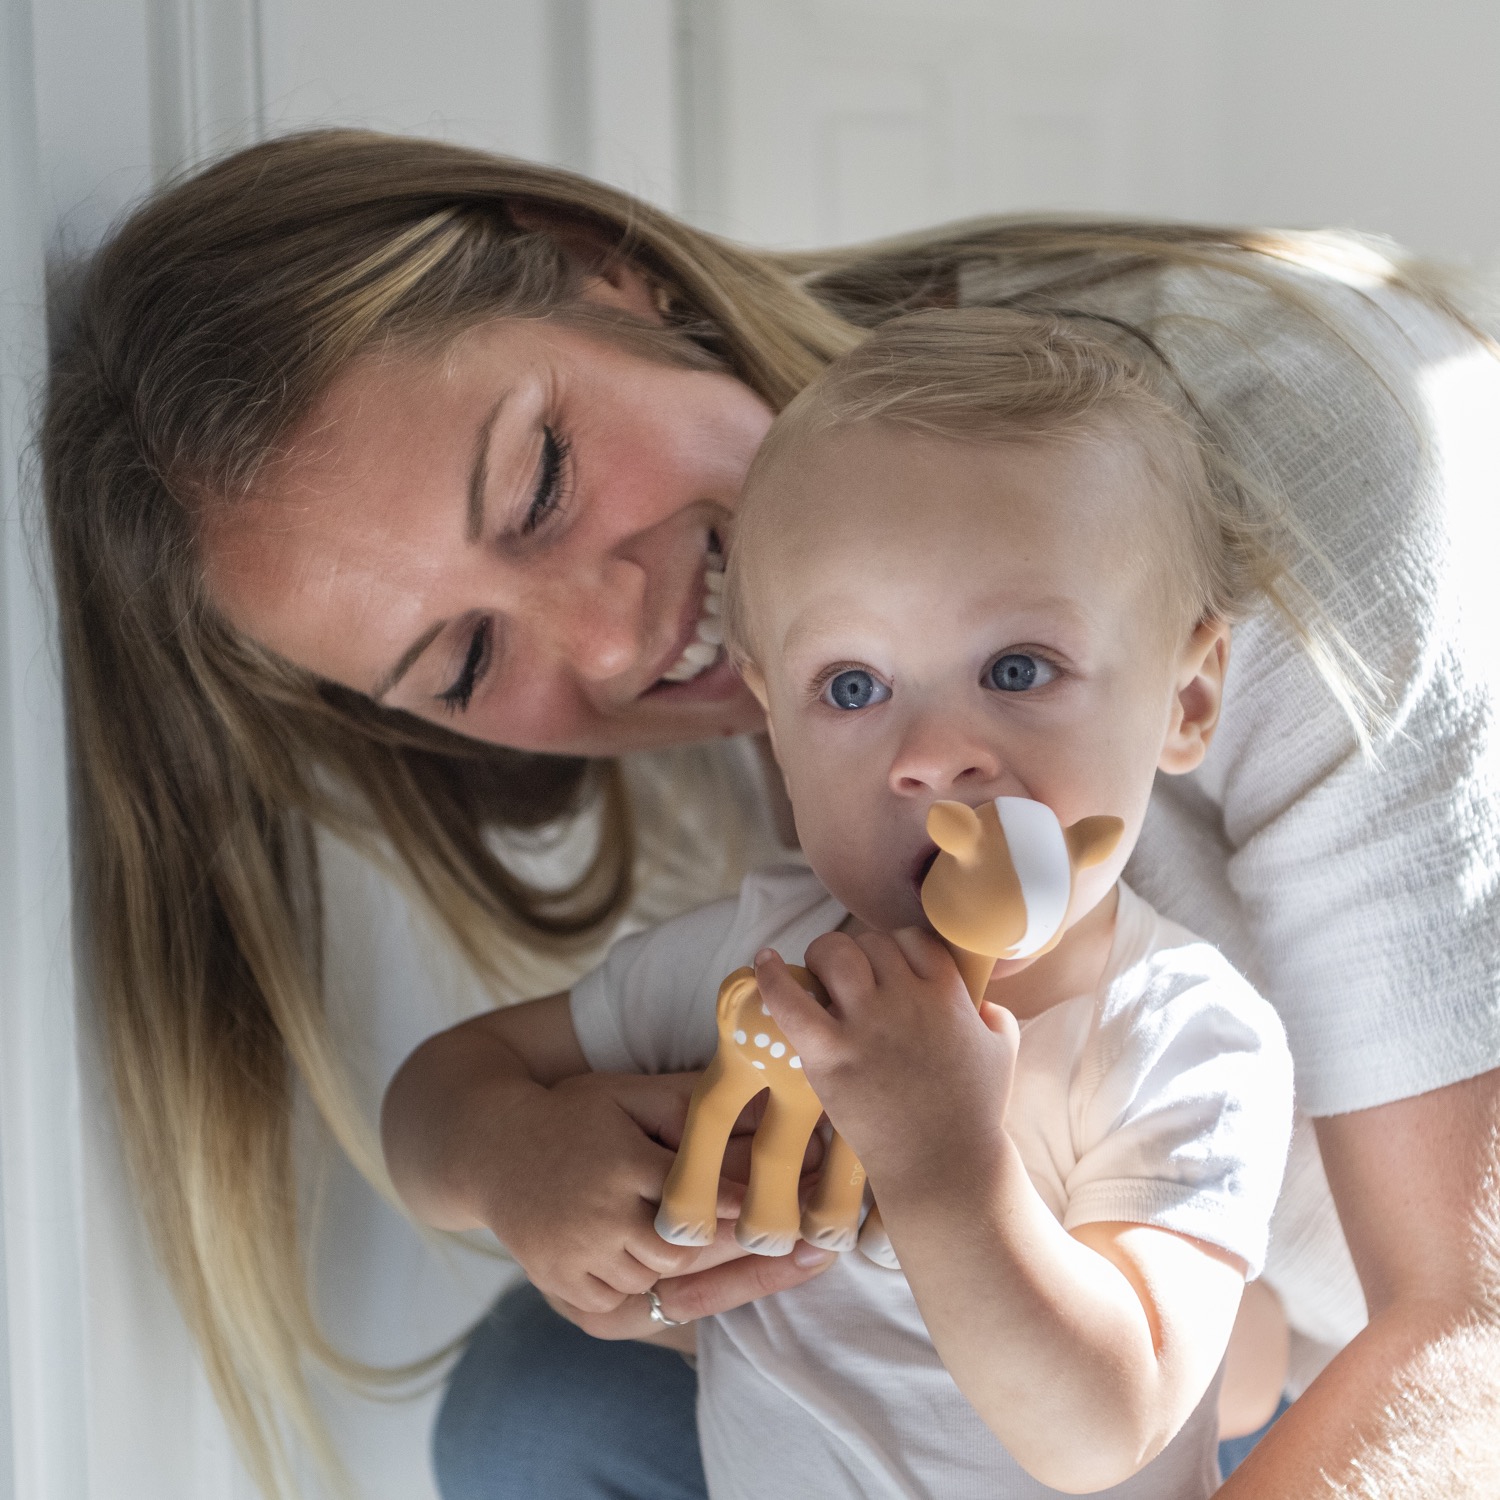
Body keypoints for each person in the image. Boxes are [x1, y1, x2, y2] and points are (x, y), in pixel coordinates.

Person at [39, 127, 1500, 1500]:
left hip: (1331, 1384)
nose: (613, 647)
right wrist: (523, 1164)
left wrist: (951, 1177)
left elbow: (1463, 1333)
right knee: (533, 1408)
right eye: (470, 661)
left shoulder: (1295, 511)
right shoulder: (772, 930)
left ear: (605, 269)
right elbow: (460, 1101)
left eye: (541, 479)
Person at [383, 307, 1302, 1498]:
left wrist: (947, 1163)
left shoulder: (1182, 1035)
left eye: (1017, 669)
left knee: (1251, 1358)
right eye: (853, 685)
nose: (931, 755)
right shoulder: (765, 961)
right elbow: (430, 1101)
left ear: (1185, 699)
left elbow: (1100, 1430)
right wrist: (511, 1155)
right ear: (774, 718)